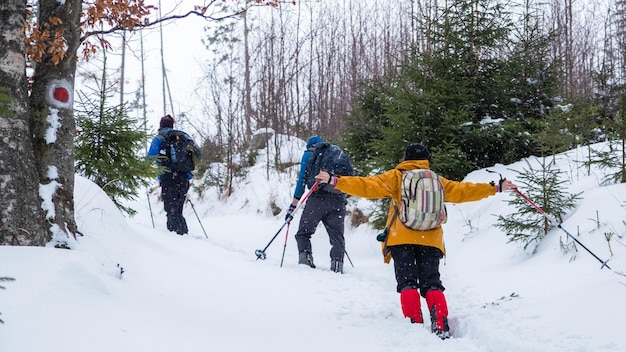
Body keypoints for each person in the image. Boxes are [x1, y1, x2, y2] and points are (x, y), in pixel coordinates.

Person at [315, 142, 517, 339]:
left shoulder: (397, 177)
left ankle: (415, 326)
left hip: (401, 239)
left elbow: (366, 185)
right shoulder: (437, 180)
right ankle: (440, 324)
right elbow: (464, 191)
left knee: (407, 283)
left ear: (406, 159)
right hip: (431, 239)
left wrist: (335, 180)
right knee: (432, 283)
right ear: (426, 160)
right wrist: (496, 187)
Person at [286, 136, 348, 273]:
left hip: (318, 199)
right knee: (337, 237)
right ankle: (337, 265)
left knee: (303, 233)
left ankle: (305, 263)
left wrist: (293, 206)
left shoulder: (309, 154)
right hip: (339, 198)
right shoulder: (336, 153)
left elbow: (301, 180)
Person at [147, 115, 201, 235]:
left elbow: (150, 158)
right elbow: (197, 153)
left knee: (170, 209)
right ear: (172, 125)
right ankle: (182, 234)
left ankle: (174, 238)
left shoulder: (159, 138)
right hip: (183, 177)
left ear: (161, 125)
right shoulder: (181, 137)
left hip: (168, 177)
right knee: (178, 208)